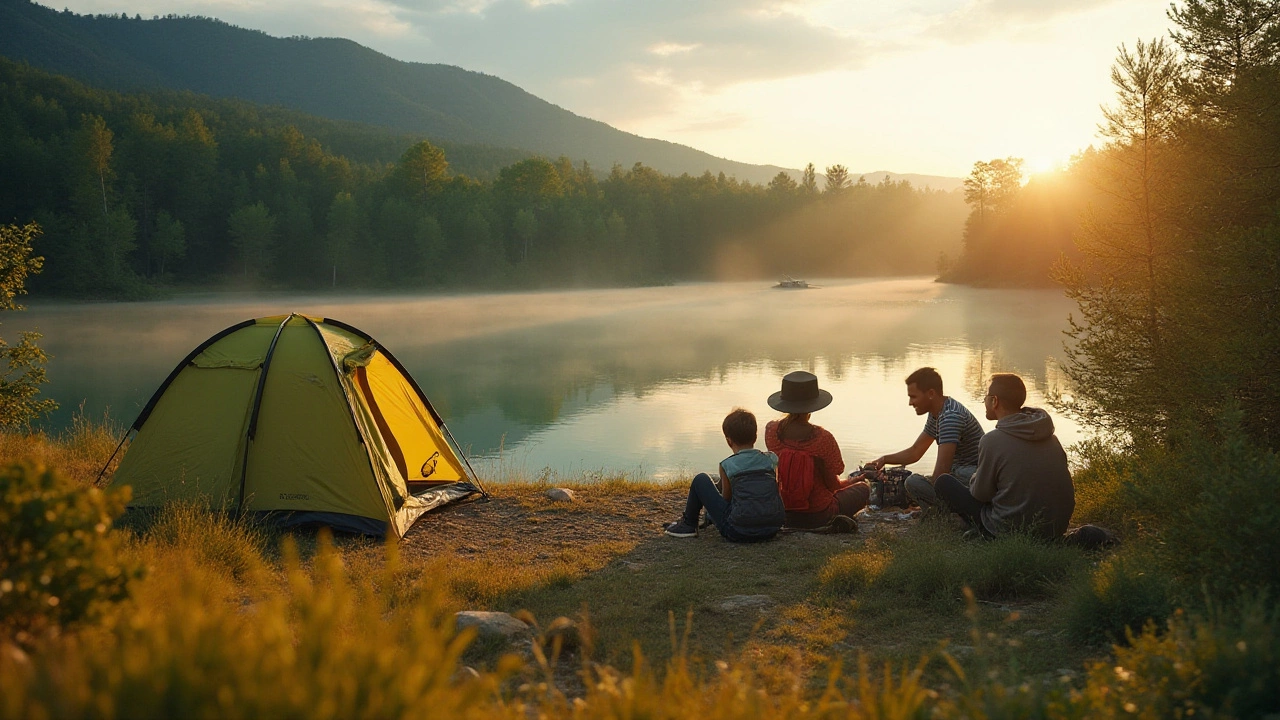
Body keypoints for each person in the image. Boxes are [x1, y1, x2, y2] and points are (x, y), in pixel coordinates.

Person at [934, 373, 1075, 540]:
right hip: (1055, 528)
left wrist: (975, 478)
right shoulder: (1050, 437)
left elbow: (981, 494)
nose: (984, 402)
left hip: (1010, 530)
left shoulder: (992, 440)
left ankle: (984, 534)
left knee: (944, 482)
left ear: (994, 401)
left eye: (985, 397)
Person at [867, 367, 985, 512]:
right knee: (915, 482)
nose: (910, 402)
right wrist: (884, 459)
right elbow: (916, 451)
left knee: (913, 482)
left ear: (930, 393)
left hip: (973, 476)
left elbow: (942, 471)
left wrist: (926, 489)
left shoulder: (950, 416)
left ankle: (948, 512)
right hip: (958, 473)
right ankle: (943, 510)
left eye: (913, 397)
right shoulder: (936, 412)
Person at [763, 371, 869, 529]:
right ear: (813, 406)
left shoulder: (771, 431)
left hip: (784, 512)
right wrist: (853, 481)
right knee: (864, 488)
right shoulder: (823, 438)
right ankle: (834, 520)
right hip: (820, 513)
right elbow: (834, 479)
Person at [664, 408, 785, 541]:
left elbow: (726, 499)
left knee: (701, 479)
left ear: (729, 441)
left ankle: (688, 524)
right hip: (772, 528)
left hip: (737, 531)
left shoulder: (727, 465)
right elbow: (774, 488)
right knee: (717, 481)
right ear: (755, 436)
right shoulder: (771, 459)